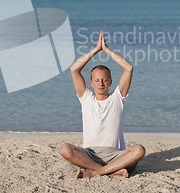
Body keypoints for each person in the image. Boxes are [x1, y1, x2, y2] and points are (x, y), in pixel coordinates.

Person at [60, 30, 145, 178]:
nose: (101, 83)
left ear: (110, 82)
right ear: (91, 83)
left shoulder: (118, 97)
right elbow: (74, 69)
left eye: (105, 80)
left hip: (116, 155)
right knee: (65, 149)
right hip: (89, 154)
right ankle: (110, 171)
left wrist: (106, 50)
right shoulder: (86, 98)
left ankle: (96, 172)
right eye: (97, 80)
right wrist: (95, 50)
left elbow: (128, 68)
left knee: (139, 150)